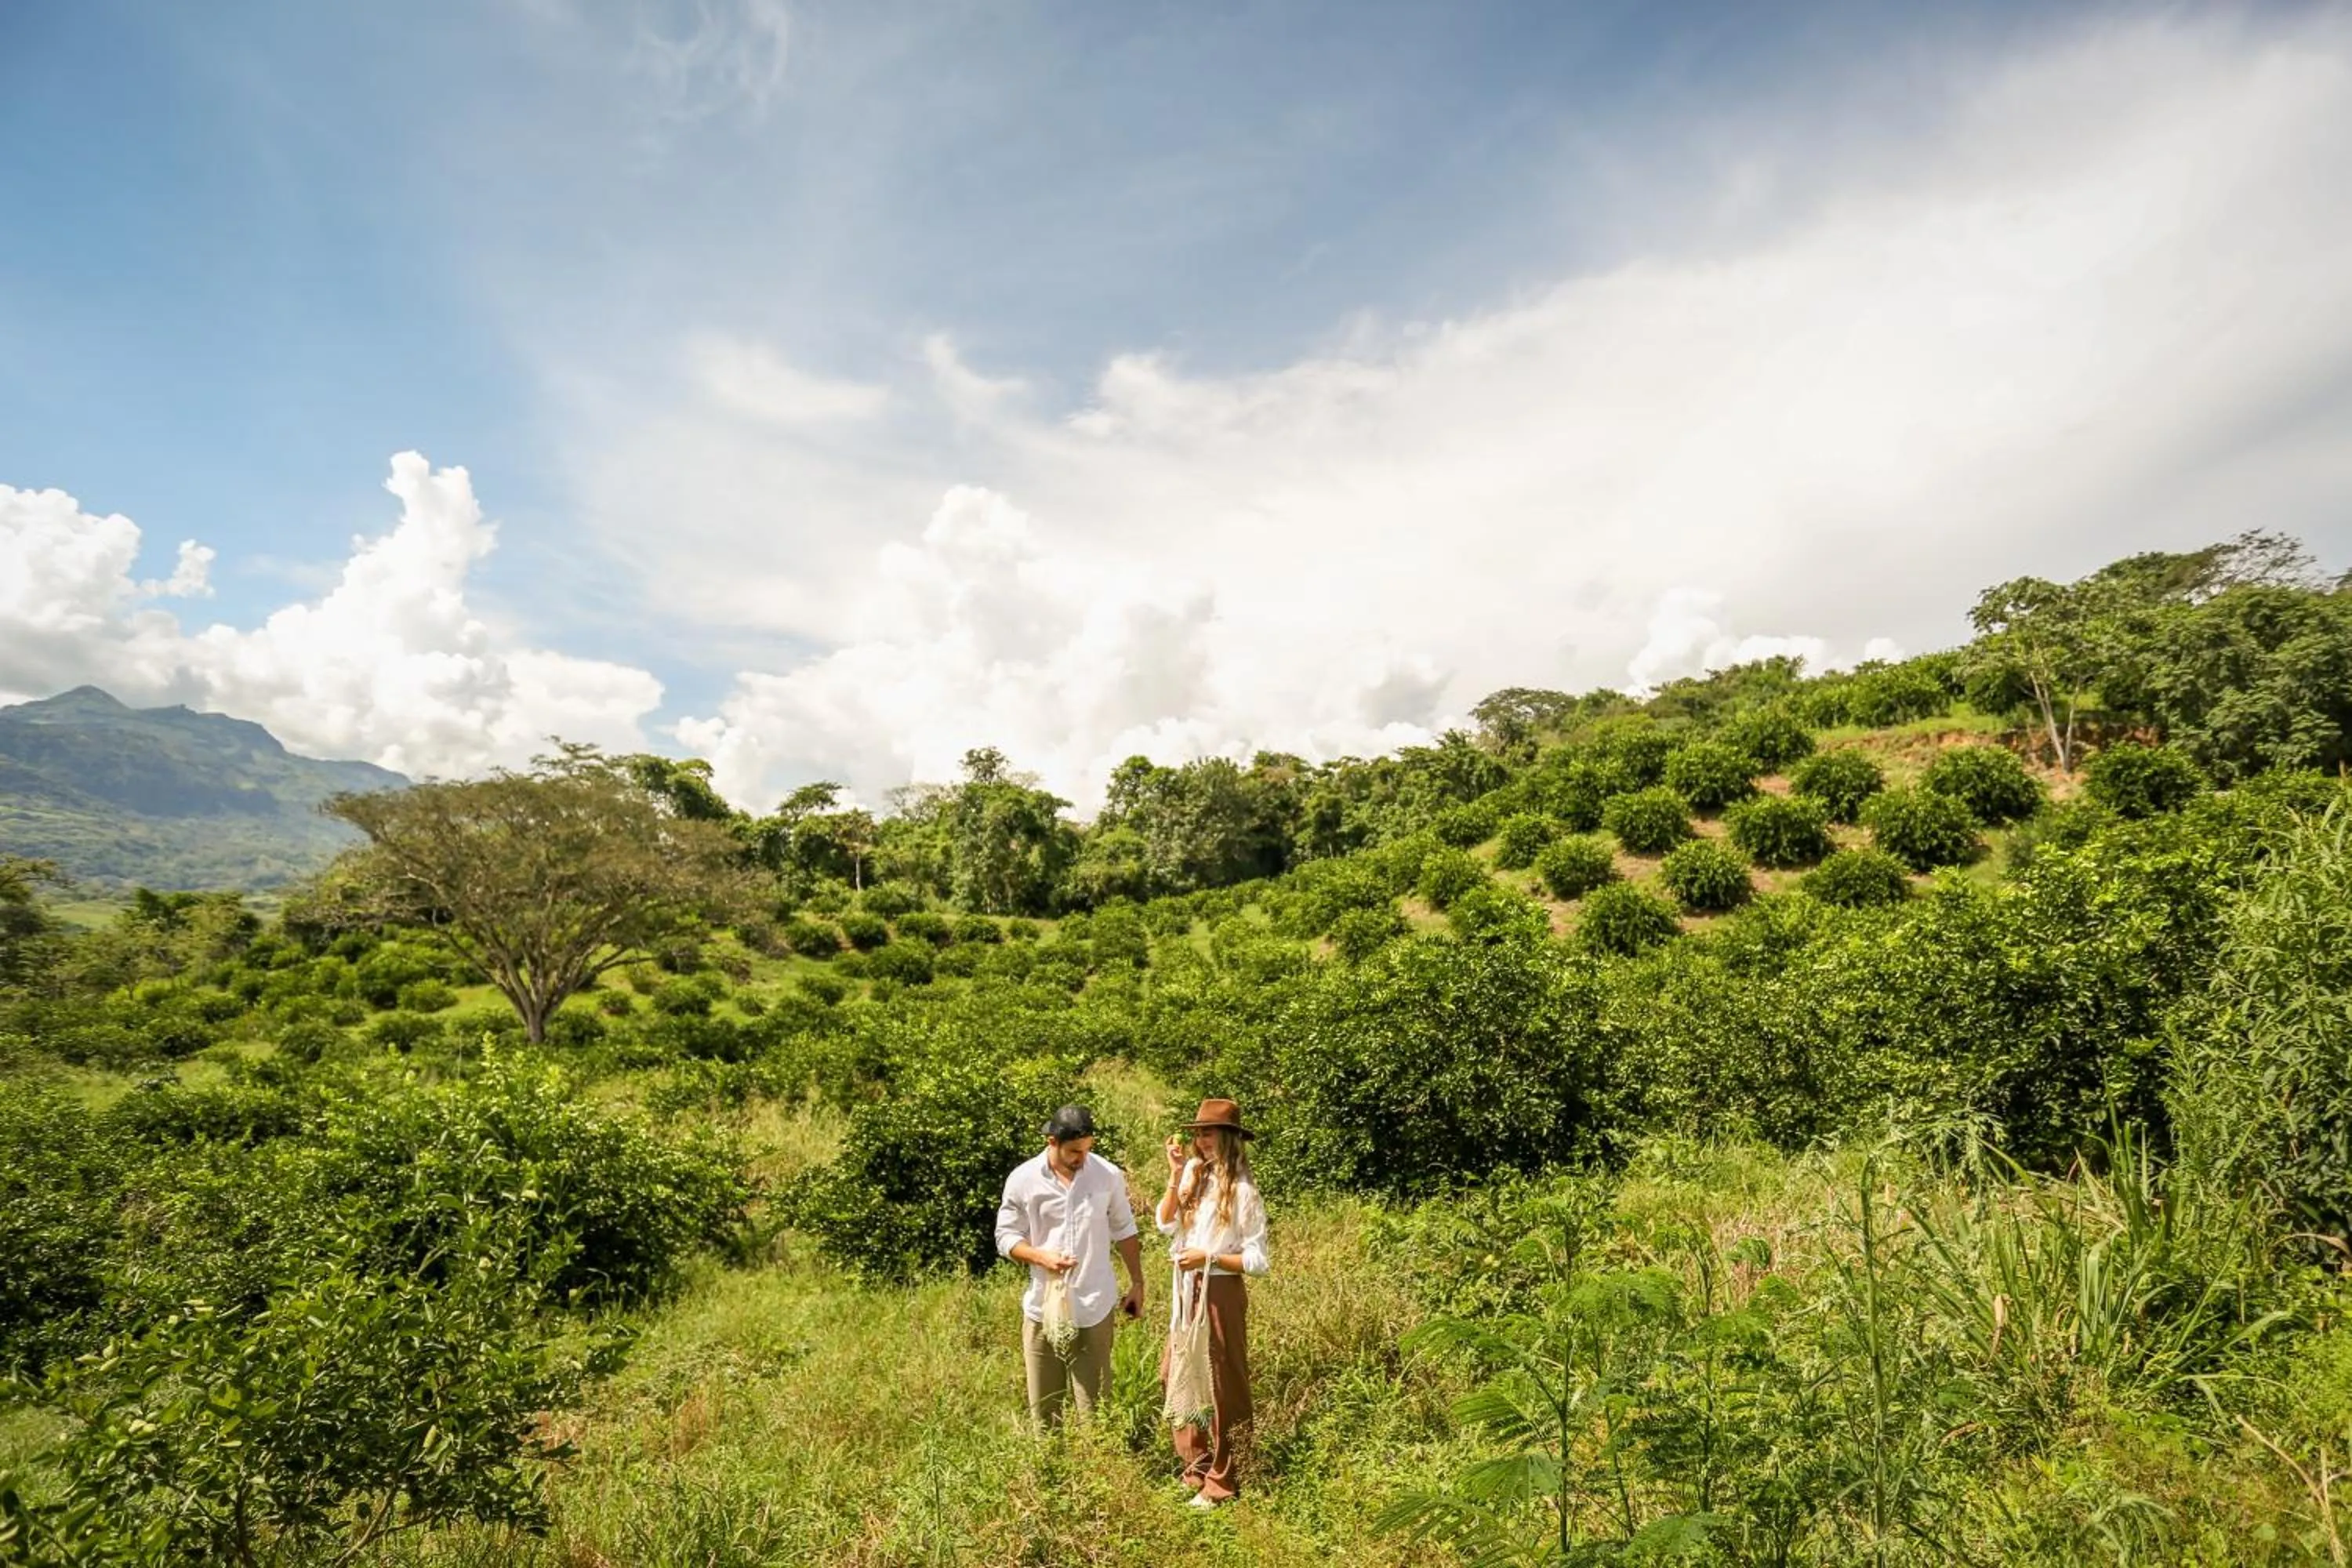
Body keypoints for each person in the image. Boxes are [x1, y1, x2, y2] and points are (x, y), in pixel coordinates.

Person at [994, 1104, 1145, 1428]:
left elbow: (1125, 1229)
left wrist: (1137, 1283)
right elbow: (1005, 1236)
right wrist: (1041, 1257)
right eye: (1075, 1151)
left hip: (1094, 1304)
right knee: (1045, 1412)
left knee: (1096, 1414)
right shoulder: (1023, 1179)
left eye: (1087, 1150)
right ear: (1052, 1142)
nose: (1082, 1158)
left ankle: (1099, 1470)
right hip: (1042, 1306)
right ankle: (1048, 1472)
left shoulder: (1106, 1175)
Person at [1156, 1097, 1270, 1508]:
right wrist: (1174, 1175)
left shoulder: (1243, 1191)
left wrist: (1209, 1258)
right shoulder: (1192, 1174)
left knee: (1224, 1385)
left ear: (1227, 1138)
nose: (1200, 1140)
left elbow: (1258, 1261)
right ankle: (1197, 1468)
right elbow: (1164, 1222)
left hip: (1219, 1290)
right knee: (1177, 1374)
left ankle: (1224, 1480)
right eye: (1197, 1134)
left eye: (1207, 1133)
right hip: (1186, 1290)